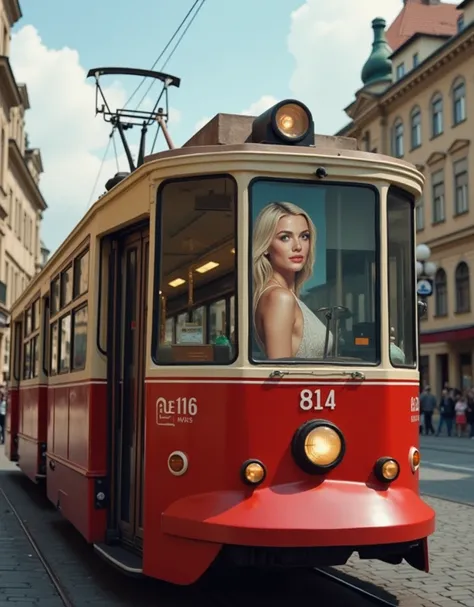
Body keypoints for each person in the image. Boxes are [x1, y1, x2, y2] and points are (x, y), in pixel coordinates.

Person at [252, 201, 332, 359]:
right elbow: (281, 375)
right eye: (285, 237)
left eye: (304, 236)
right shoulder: (280, 298)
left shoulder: (285, 295)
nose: (298, 246)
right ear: (266, 246)